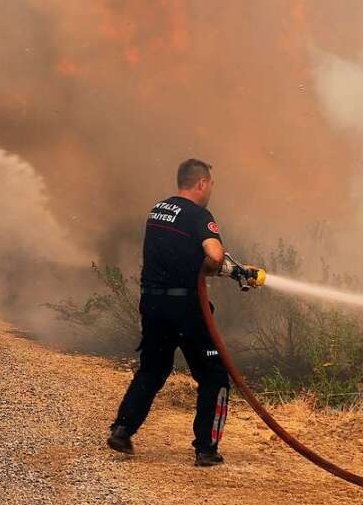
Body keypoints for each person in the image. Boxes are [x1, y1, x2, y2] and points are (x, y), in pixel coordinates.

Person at [107, 159, 260, 467]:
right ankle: (206, 449)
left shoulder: (158, 210)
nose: (211, 191)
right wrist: (222, 267)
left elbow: (178, 256)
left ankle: (122, 430)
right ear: (201, 183)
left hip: (152, 303)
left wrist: (217, 269)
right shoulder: (198, 215)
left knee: (153, 369)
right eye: (211, 185)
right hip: (186, 308)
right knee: (214, 375)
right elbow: (214, 255)